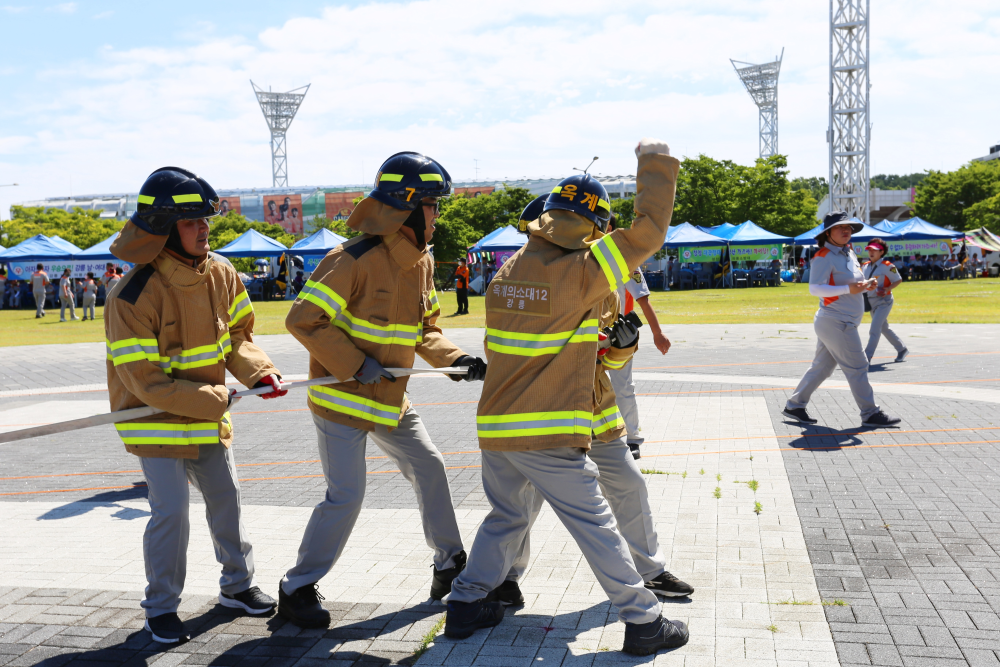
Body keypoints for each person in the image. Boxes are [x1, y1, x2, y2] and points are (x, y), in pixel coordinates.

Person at [446, 139, 689, 656]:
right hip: (551, 428)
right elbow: (649, 232)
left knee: (506, 517)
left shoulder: (508, 270)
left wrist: (617, 346)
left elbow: (554, 343)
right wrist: (654, 162)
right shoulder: (584, 269)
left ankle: (465, 603)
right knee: (595, 523)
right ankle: (644, 619)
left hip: (498, 424)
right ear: (595, 226)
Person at [277, 151, 487, 629]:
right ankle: (296, 588)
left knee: (430, 467)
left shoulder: (422, 262)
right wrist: (355, 364)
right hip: (341, 402)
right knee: (346, 496)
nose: (437, 215)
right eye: (433, 206)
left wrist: (456, 360)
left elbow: (426, 330)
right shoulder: (349, 260)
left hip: (392, 401)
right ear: (407, 208)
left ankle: (448, 565)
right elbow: (303, 319)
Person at [105, 166, 288, 644]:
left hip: (208, 415)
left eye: (206, 219)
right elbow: (145, 381)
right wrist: (215, 398)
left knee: (227, 500)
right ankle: (161, 608)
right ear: (164, 229)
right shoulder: (130, 296)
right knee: (171, 515)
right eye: (191, 221)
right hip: (156, 422)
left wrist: (259, 372)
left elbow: (239, 337)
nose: (204, 228)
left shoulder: (222, 272)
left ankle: (238, 587)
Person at [782, 211, 901, 428]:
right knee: (858, 366)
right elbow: (815, 288)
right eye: (840, 227)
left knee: (822, 368)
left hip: (836, 322)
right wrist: (849, 288)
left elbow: (851, 284)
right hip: (836, 322)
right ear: (828, 233)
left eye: (849, 227)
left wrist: (865, 285)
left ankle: (794, 405)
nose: (846, 231)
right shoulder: (823, 256)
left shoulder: (849, 252)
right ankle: (870, 413)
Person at [861, 239, 907, 363]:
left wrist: (887, 288)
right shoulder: (865, 266)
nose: (871, 252)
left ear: (881, 252)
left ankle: (866, 358)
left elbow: (898, 279)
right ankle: (902, 349)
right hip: (870, 301)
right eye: (869, 250)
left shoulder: (888, 266)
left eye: (874, 250)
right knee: (884, 328)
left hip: (883, 301)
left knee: (874, 329)